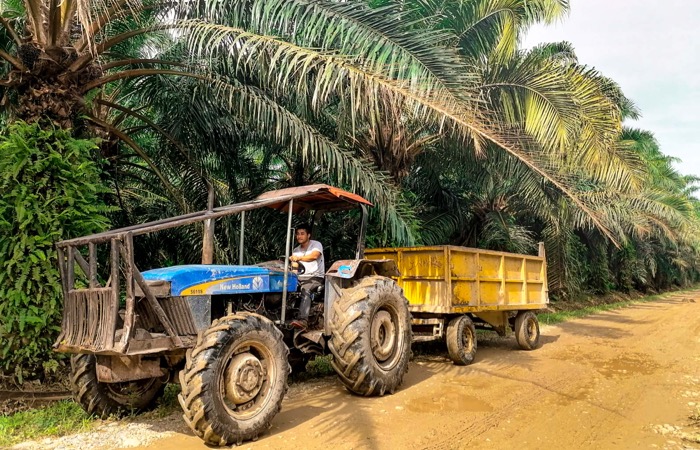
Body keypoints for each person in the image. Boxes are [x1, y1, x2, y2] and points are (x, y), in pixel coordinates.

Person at [289, 224, 324, 330]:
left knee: (306, 289)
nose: (299, 236)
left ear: (308, 235)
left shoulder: (316, 245)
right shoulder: (296, 250)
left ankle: (303, 320)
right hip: (300, 277)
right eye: (297, 234)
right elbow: (295, 267)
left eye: (302, 234)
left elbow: (314, 256)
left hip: (315, 277)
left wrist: (298, 258)